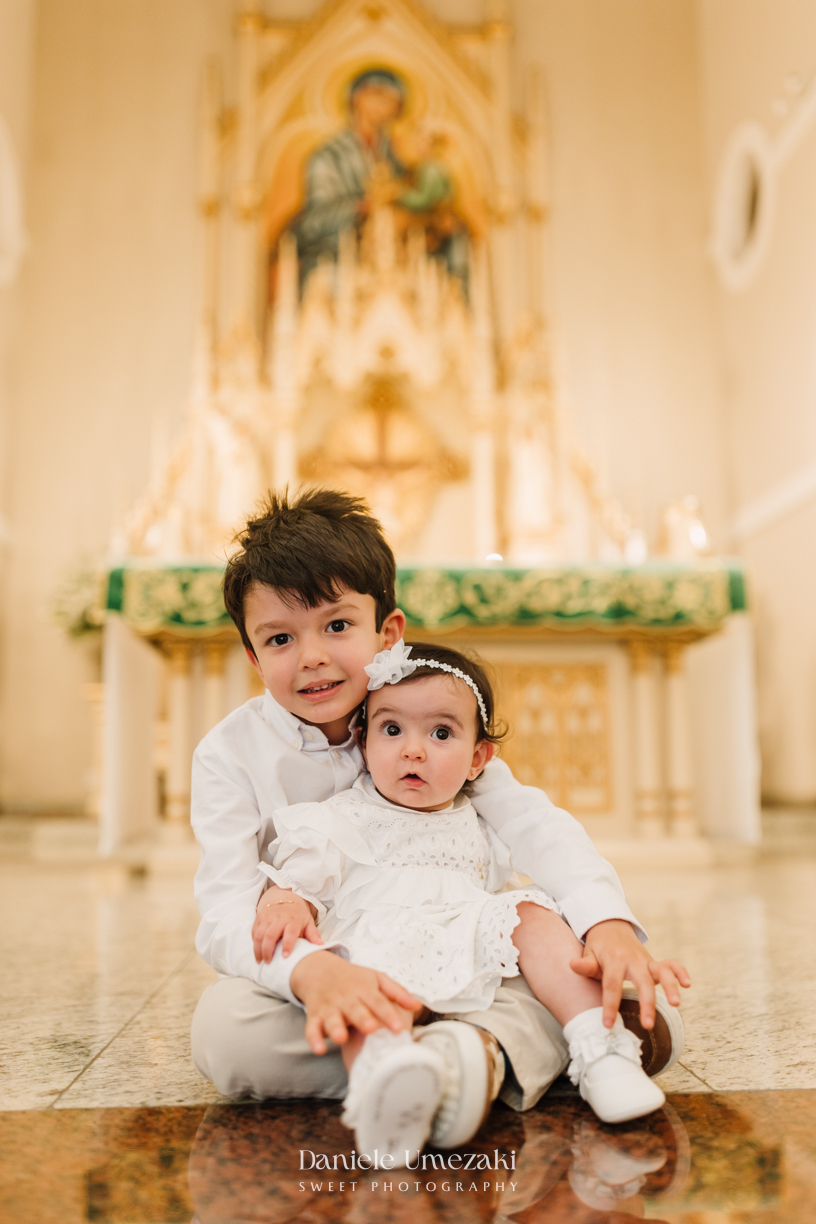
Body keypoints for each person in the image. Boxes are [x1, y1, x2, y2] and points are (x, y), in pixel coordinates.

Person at [190, 487, 688, 1148]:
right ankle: (474, 1056)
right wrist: (315, 973)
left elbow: (540, 827)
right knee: (224, 1031)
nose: (311, 656)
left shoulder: (428, 716)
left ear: (386, 632)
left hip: (459, 949)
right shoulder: (228, 756)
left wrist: (609, 925)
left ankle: (462, 1058)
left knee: (641, 999)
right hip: (337, 963)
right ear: (253, 658)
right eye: (280, 638)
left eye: (337, 626)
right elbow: (226, 915)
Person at [262, 641, 684, 1163]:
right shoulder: (338, 818)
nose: (413, 750)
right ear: (363, 742)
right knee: (352, 984)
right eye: (392, 730)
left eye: (441, 733)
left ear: (478, 758)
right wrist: (284, 900)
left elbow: (552, 845)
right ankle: (385, 1083)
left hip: (468, 943)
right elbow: (301, 880)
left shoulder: (484, 813)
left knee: (532, 912)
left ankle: (600, 1050)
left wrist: (606, 925)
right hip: (374, 952)